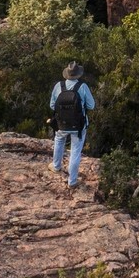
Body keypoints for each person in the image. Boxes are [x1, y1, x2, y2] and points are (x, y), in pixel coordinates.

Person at [49, 60, 95, 188]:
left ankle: (56, 166)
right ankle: (72, 181)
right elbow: (91, 105)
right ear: (78, 75)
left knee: (59, 140)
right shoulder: (83, 87)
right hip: (78, 125)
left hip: (61, 123)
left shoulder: (59, 86)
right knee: (75, 151)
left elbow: (52, 105)